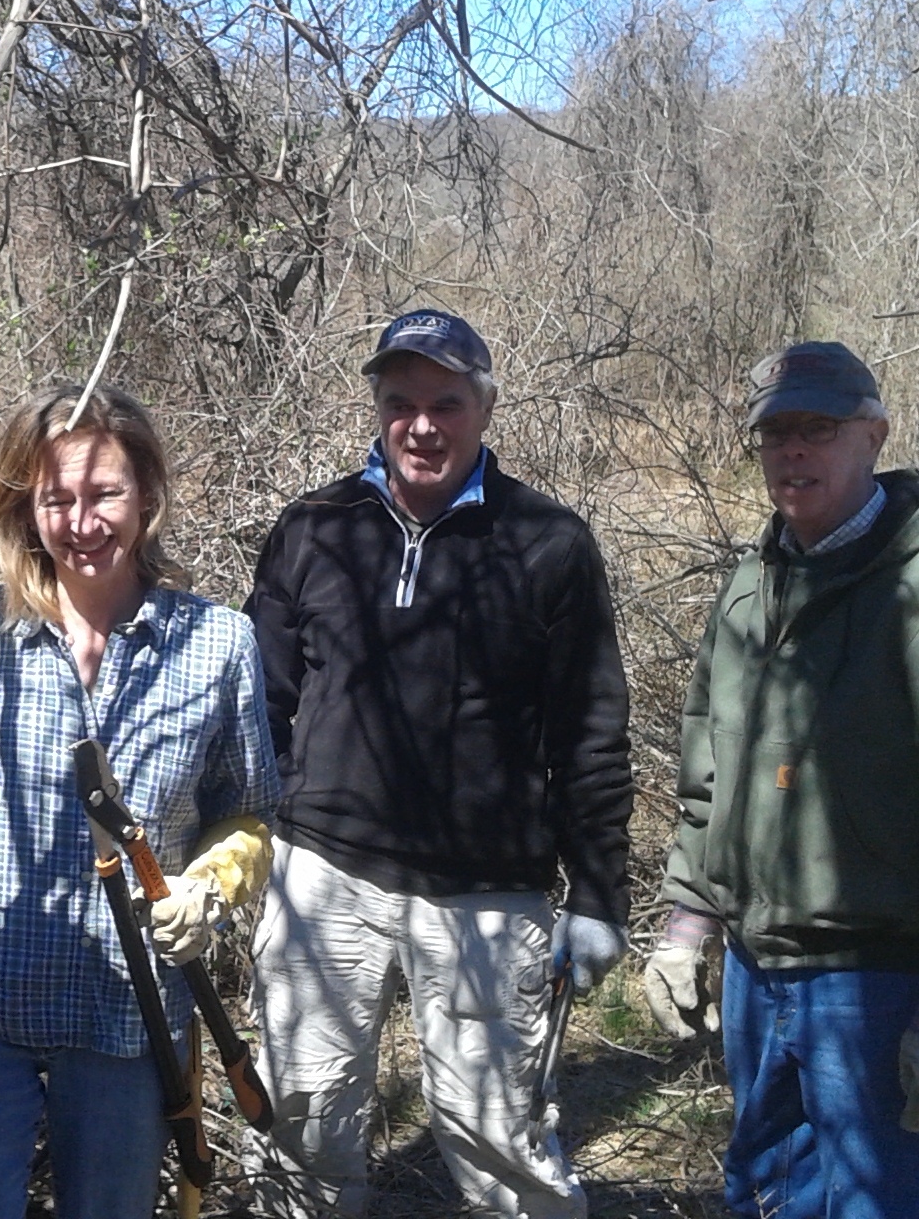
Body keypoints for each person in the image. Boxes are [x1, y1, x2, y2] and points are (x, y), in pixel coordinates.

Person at [0, 381, 279, 1219]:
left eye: (105, 493)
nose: (83, 523)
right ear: (26, 507)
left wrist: (212, 886)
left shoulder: (219, 644)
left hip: (129, 1010)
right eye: (58, 499)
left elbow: (250, 810)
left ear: (147, 496)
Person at [641, 340, 919, 1219]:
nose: (793, 452)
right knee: (764, 1198)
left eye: (818, 430)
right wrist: (688, 923)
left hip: (880, 984)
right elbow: (706, 768)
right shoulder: (753, 586)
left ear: (873, 434)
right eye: (776, 434)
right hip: (758, 973)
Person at [242, 309, 633, 1219]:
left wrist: (602, 898)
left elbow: (589, 731)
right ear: (377, 410)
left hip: (488, 895)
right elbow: (260, 703)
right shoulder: (316, 527)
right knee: (302, 1127)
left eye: (446, 403)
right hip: (323, 880)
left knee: (500, 1142)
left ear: (484, 409)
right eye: (402, 403)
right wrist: (258, 837)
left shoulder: (548, 544)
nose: (423, 425)